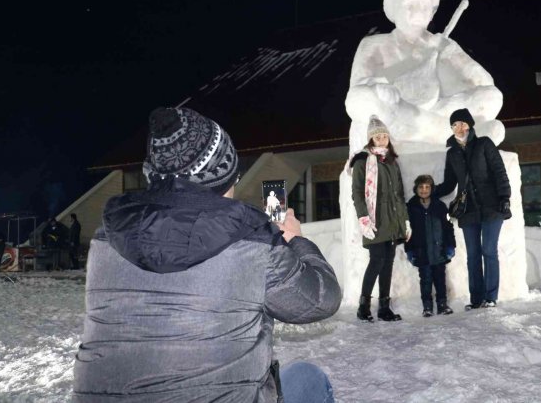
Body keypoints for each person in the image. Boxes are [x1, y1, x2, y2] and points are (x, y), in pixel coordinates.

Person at [73, 107, 341, 403]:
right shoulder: (251, 242)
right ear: (222, 175)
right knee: (310, 379)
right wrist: (295, 239)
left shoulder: (105, 238)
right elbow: (321, 299)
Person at [345, 0, 504, 155]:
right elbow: (356, 91)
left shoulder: (444, 45)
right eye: (410, 4)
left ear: (432, 13)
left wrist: (450, 53)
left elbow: (484, 84)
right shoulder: (373, 44)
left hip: (437, 111)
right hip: (393, 110)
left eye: (424, 5)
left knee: (491, 97)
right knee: (361, 100)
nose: (418, 10)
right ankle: (453, 136)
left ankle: (423, 132)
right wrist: (378, 86)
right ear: (395, 10)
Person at [434, 108, 511, 310]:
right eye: (454, 125)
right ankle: (476, 299)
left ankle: (491, 297)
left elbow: (499, 171)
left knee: (489, 250)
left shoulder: (484, 144)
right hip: (468, 210)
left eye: (462, 123)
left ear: (469, 125)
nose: (458, 128)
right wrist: (427, 193)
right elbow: (450, 184)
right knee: (473, 255)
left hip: (492, 206)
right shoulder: (452, 153)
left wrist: (505, 197)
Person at [350, 115, 411, 322]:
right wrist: (363, 218)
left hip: (393, 220)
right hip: (375, 219)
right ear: (371, 140)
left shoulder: (392, 161)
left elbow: (400, 194)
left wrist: (405, 220)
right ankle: (363, 306)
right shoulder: (362, 161)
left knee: (388, 264)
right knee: (377, 261)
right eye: (378, 137)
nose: (382, 140)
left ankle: (384, 308)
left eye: (385, 136)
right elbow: (358, 193)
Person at [405, 175, 456, 317]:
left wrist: (450, 246)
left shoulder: (440, 206)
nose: (424, 190)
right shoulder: (411, 207)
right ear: (416, 189)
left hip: (439, 251)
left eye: (427, 187)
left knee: (440, 279)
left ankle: (442, 304)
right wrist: (409, 250)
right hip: (422, 252)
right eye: (421, 187)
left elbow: (448, 228)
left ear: (432, 189)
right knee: (426, 279)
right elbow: (407, 231)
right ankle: (427, 306)